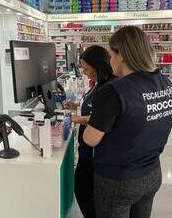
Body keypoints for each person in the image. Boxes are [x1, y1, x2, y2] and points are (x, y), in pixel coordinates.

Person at [83, 26, 172, 218]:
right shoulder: (166, 84)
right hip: (151, 174)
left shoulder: (114, 90)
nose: (109, 61)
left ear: (122, 55)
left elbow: (91, 139)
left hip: (119, 179)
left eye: (111, 55)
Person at [65, 46, 115, 218]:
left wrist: (79, 119)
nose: (84, 72)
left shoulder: (108, 88)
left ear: (97, 65)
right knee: (82, 189)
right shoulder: (98, 84)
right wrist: (77, 106)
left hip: (95, 155)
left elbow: (101, 117)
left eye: (86, 68)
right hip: (86, 151)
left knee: (86, 193)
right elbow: (93, 105)